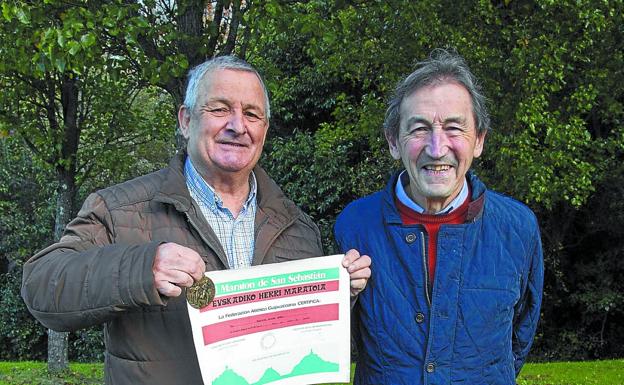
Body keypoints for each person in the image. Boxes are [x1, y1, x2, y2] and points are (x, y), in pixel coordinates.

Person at [21, 55, 371, 385]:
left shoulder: (298, 229)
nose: (238, 126)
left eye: (252, 114)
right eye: (219, 109)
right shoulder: (119, 208)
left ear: (265, 129)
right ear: (186, 120)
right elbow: (41, 287)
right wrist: (141, 268)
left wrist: (338, 294)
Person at [334, 49, 543, 385]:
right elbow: (331, 337)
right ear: (393, 141)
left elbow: (519, 336)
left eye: (454, 128)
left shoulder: (517, 227)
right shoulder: (355, 226)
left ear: (479, 141)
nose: (436, 147)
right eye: (418, 129)